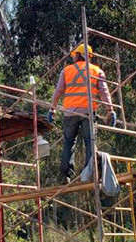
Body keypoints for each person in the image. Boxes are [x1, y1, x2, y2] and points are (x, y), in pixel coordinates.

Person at [48, 44, 116, 180]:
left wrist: (52, 109)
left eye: (74, 55)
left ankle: (65, 175)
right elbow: (104, 92)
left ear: (77, 55)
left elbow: (58, 91)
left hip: (70, 112)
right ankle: (90, 173)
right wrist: (110, 110)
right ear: (88, 56)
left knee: (68, 142)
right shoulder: (96, 71)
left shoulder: (67, 70)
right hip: (88, 112)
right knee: (90, 141)